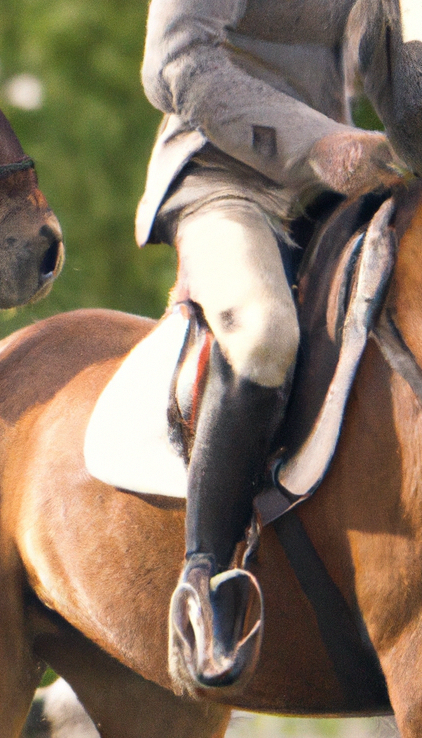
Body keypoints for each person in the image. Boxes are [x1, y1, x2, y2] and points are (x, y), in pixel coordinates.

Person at [137, 0, 422, 688]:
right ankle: (204, 579)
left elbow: (407, 106)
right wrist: (315, 140)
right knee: (264, 333)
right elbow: (172, 64)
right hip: (223, 178)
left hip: (336, 187)